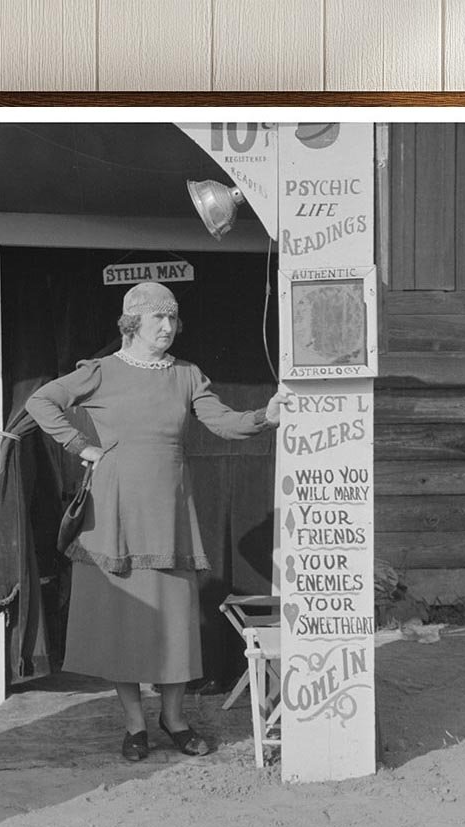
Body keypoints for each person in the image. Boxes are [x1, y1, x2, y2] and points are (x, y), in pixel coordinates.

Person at [26, 281, 289, 762]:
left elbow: (223, 422)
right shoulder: (101, 372)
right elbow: (40, 402)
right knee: (123, 621)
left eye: (172, 319)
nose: (168, 327)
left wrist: (264, 416)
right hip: (115, 513)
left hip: (169, 515)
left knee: (173, 623)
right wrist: (81, 446)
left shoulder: (188, 375)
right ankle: (133, 725)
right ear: (132, 324)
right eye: (157, 319)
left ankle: (175, 719)